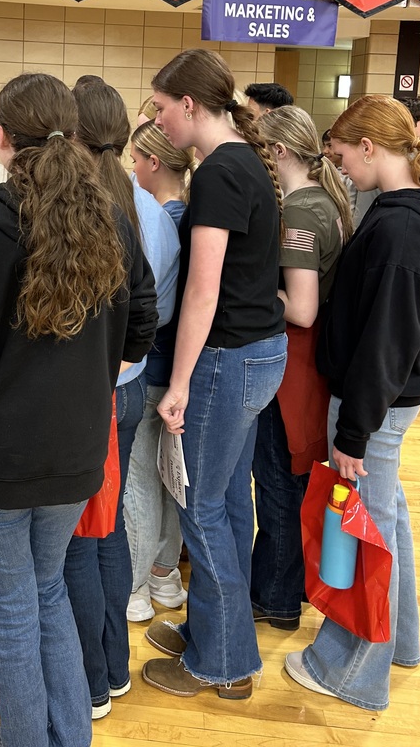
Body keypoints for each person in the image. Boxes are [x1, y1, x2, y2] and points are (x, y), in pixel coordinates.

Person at [0, 73, 158, 747]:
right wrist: (91, 377)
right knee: (47, 590)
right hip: (75, 450)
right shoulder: (110, 219)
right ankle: (66, 736)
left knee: (10, 609)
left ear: (1, 138)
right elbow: (143, 317)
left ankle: (26, 738)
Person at [284, 95, 420, 710]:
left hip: (372, 407)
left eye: (345, 158)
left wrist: (352, 435)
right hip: (384, 402)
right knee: (387, 521)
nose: (342, 170)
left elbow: (387, 340)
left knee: (366, 533)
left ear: (371, 148)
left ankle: (356, 673)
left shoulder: (402, 226)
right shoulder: (414, 211)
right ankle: (397, 642)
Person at [141, 49, 287, 702]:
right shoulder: (240, 163)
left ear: (191, 104)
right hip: (255, 353)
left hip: (230, 358)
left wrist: (178, 385)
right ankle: (216, 631)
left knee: (202, 506)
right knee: (226, 502)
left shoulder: (224, 173)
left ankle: (222, 663)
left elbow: (203, 292)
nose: (158, 120)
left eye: (163, 108)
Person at [63, 78, 180, 718]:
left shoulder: (91, 214)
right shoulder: (151, 213)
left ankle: (95, 674)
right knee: (107, 530)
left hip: (99, 395)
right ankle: (110, 666)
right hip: (129, 384)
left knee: (88, 537)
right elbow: (149, 311)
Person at [250, 106, 352, 632]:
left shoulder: (301, 213)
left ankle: (277, 596)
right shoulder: (320, 201)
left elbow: (303, 308)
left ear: (279, 153)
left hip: (293, 369)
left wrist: (248, 287)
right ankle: (279, 587)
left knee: (277, 484)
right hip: (303, 369)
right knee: (285, 483)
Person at [125, 120, 193, 622]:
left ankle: (134, 585)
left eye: (134, 160)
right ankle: (165, 574)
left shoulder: (155, 220)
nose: (131, 169)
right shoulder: (187, 217)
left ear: (153, 162)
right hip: (178, 365)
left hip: (152, 365)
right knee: (170, 476)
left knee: (141, 480)